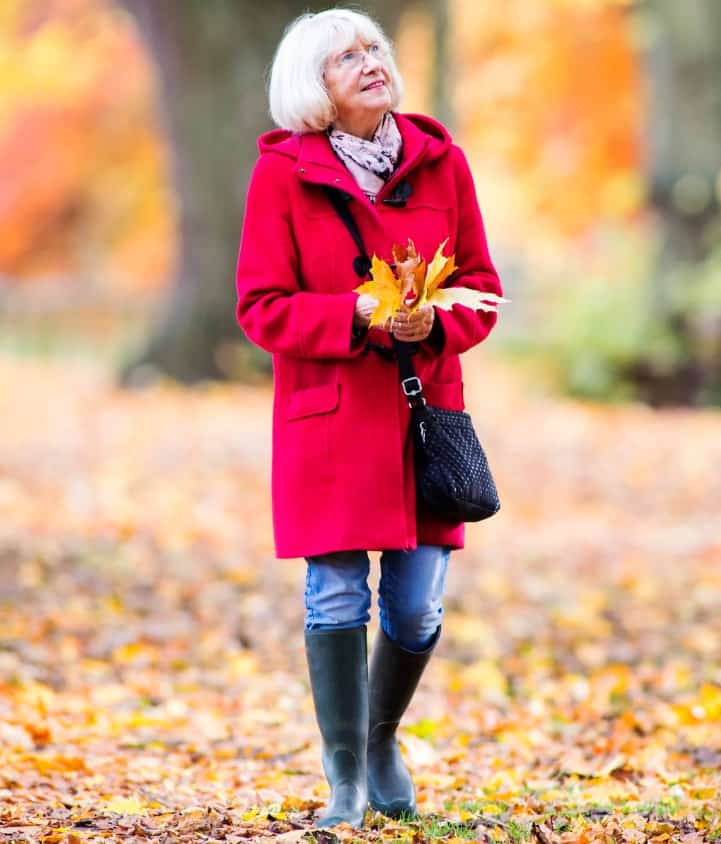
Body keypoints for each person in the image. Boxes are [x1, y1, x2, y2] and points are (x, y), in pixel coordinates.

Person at [234, 7, 502, 830]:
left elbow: (482, 287)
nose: (368, 63)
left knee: (417, 604)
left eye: (373, 49)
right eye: (344, 57)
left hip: (424, 416)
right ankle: (345, 777)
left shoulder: (442, 162)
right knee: (336, 594)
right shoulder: (283, 175)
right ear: (311, 87)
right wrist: (357, 318)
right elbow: (259, 307)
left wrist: (438, 325)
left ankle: (382, 736)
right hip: (333, 416)